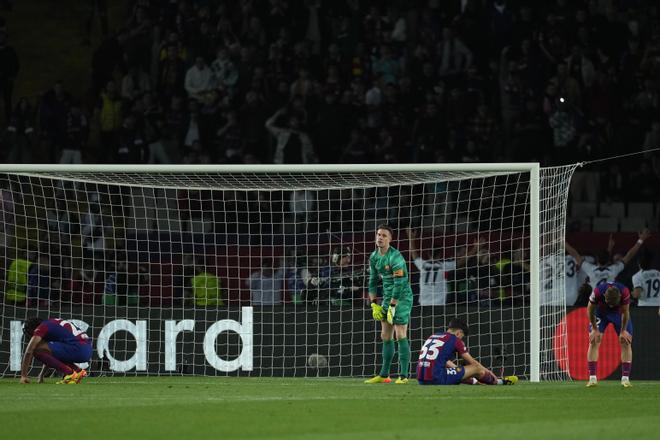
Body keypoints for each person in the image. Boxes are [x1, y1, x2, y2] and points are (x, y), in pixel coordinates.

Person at [364, 225, 413, 384]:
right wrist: (373, 304)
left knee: (400, 334)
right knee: (385, 335)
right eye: (378, 234)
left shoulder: (396, 257)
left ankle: (404, 376)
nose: (380, 237)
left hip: (402, 298)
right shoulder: (373, 257)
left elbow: (399, 284)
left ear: (390, 239)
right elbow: (372, 282)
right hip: (387, 297)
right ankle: (384, 375)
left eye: (384, 235)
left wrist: (392, 306)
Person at [417, 318, 518, 386]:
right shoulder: (455, 340)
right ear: (459, 332)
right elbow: (473, 363)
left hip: (421, 378)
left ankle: (474, 381)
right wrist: (489, 372)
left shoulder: (434, 336)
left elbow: (445, 361)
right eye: (462, 336)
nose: (462, 338)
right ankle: (499, 381)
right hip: (436, 378)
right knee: (476, 368)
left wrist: (459, 370)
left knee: (459, 371)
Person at [406, 228, 481, 305]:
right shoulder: (444, 266)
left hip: (424, 304)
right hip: (439, 304)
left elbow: (413, 254)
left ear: (428, 254)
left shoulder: (422, 265)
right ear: (440, 255)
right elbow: (462, 260)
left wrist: (411, 239)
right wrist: (475, 248)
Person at [586, 281, 633, 388]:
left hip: (618, 313)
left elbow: (626, 312)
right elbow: (589, 310)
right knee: (594, 341)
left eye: (613, 304)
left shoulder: (625, 292)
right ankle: (592, 378)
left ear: (620, 297)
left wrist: (623, 331)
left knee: (626, 341)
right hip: (601, 313)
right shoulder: (597, 292)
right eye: (609, 303)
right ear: (604, 297)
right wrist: (594, 329)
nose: (611, 306)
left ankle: (625, 379)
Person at [567, 229, 650, 290]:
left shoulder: (590, 269)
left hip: (595, 305)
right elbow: (629, 255)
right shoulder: (613, 269)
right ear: (609, 261)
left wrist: (563, 242)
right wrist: (641, 240)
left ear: (596, 259)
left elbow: (574, 254)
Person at [20, 317, 91, 385]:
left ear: (33, 328)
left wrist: (23, 376)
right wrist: (41, 375)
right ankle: (77, 371)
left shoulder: (41, 328)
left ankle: (70, 374)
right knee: (45, 349)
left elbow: (29, 351)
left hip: (77, 348)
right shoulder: (51, 324)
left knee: (36, 348)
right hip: (86, 349)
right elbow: (49, 355)